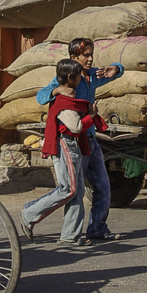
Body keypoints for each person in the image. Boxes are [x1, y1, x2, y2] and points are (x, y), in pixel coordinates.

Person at [35, 38, 124, 242]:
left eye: (92, 54)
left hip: (91, 138)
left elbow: (119, 70)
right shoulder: (66, 78)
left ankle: (97, 228)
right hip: (74, 140)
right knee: (75, 190)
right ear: (73, 58)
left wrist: (116, 69)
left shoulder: (94, 76)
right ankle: (68, 233)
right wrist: (56, 90)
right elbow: (40, 97)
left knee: (103, 185)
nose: (91, 59)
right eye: (86, 55)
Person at [21, 59, 103, 245]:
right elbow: (75, 127)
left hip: (74, 146)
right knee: (69, 189)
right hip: (66, 145)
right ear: (69, 78)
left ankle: (70, 235)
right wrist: (92, 116)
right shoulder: (63, 99)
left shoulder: (69, 96)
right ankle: (29, 213)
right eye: (77, 77)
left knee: (77, 190)